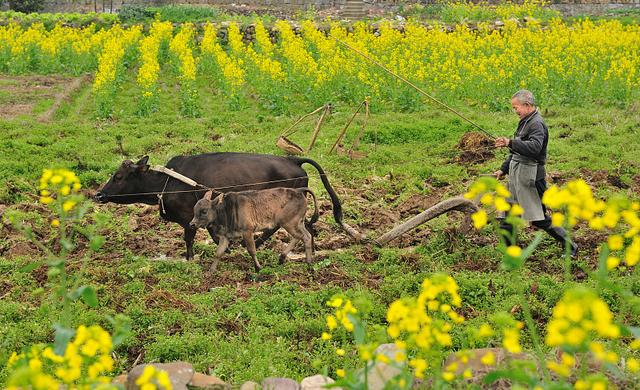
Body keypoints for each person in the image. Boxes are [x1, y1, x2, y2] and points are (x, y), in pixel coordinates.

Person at [493, 89, 577, 257]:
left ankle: (570, 246)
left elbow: (534, 148)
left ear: (528, 105)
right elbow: (516, 151)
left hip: (531, 176)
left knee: (538, 218)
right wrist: (503, 169)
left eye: (516, 107)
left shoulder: (536, 123)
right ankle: (511, 253)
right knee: (506, 215)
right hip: (517, 174)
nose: (514, 110)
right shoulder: (525, 120)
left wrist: (510, 142)